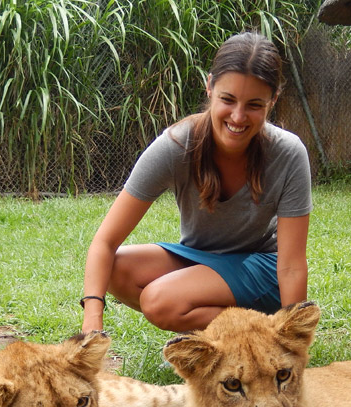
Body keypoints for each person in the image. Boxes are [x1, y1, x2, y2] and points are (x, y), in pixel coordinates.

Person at [81, 31, 312, 334]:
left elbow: (292, 264)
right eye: (227, 99)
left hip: (263, 268)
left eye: (254, 104)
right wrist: (92, 321)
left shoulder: (288, 152)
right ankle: (238, 332)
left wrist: (291, 337)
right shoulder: (176, 145)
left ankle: (262, 333)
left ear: (273, 100)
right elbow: (105, 242)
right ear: (210, 86)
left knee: (160, 301)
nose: (238, 117)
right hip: (200, 260)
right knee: (116, 269)